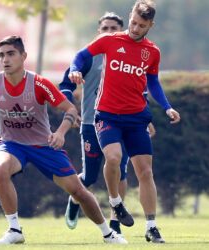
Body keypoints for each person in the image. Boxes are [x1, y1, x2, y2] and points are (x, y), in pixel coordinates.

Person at [0, 36, 127, 245]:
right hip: (11, 144)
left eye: (11, 54)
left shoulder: (39, 84)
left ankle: (108, 234)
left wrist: (60, 133)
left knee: (78, 191)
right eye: (1, 55)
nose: (5, 59)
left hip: (43, 146)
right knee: (0, 168)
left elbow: (70, 109)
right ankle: (14, 229)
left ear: (23, 56)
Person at [68, 0, 180, 243]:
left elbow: (153, 82)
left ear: (151, 25)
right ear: (130, 17)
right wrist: (75, 70)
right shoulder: (110, 40)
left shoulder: (152, 51)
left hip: (136, 118)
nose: (135, 28)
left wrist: (168, 107)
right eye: (133, 22)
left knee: (146, 171)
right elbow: (81, 55)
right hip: (107, 114)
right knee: (114, 158)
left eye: (142, 25)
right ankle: (115, 202)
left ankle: (151, 226)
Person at [60, 12, 129, 236]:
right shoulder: (88, 57)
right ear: (98, 32)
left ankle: (115, 224)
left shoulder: (129, 57)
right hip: (91, 123)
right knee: (89, 177)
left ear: (122, 31)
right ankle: (74, 200)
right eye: (105, 28)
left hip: (121, 124)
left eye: (114, 29)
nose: (109, 32)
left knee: (121, 172)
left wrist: (145, 119)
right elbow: (65, 86)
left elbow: (138, 89)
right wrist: (70, 108)